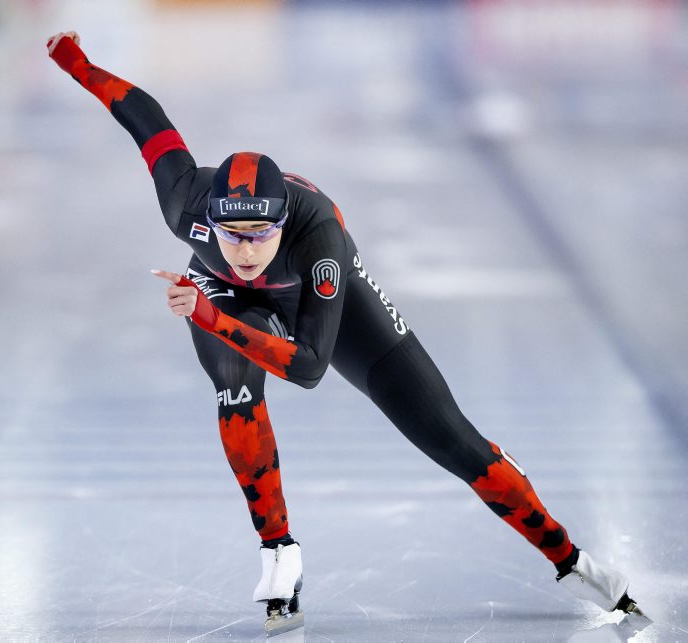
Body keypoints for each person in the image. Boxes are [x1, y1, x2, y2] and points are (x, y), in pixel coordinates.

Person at [46, 30, 644, 633]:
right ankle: (278, 551)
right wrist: (79, 63)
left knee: (453, 439)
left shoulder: (319, 238)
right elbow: (144, 118)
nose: (246, 252)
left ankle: (573, 560)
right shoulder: (185, 203)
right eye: (232, 236)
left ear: (284, 223)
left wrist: (207, 316)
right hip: (225, 297)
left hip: (319, 299)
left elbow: (309, 367)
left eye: (260, 236)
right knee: (236, 387)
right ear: (210, 222)